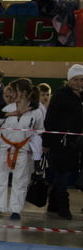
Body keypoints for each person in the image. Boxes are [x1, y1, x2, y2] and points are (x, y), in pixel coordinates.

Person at [0, 78, 44, 220]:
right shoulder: (7, 109)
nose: (11, 94)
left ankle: (16, 210)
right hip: (4, 148)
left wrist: (34, 146)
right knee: (0, 179)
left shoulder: (36, 111)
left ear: (23, 92)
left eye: (14, 91)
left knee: (20, 181)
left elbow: (39, 130)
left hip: (23, 150)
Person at [43, 64, 83, 220]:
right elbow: (50, 120)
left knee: (62, 175)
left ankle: (53, 205)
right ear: (69, 80)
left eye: (81, 80)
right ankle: (63, 208)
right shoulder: (60, 96)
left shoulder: (80, 96)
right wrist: (46, 143)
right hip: (61, 143)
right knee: (62, 175)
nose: (79, 83)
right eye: (76, 79)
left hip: (76, 144)